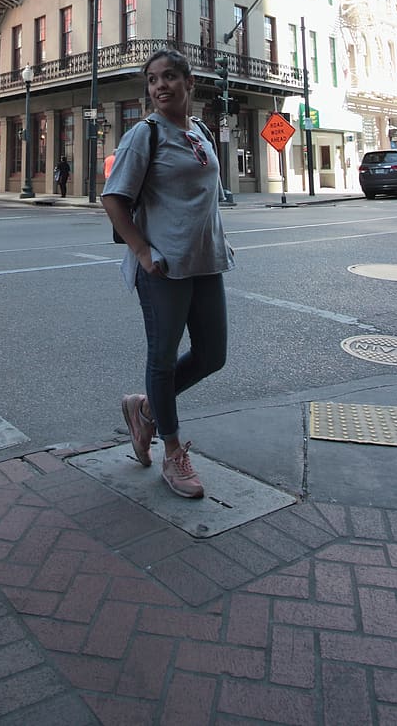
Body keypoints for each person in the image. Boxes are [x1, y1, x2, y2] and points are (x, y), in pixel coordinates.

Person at [101, 49, 233, 500]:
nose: (161, 85)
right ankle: (172, 452)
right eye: (153, 79)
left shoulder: (200, 132)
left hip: (206, 261)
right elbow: (114, 198)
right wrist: (141, 251)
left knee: (212, 355)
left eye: (170, 76)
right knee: (162, 359)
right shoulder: (144, 135)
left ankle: (145, 410)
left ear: (189, 83)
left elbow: (203, 197)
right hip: (164, 267)